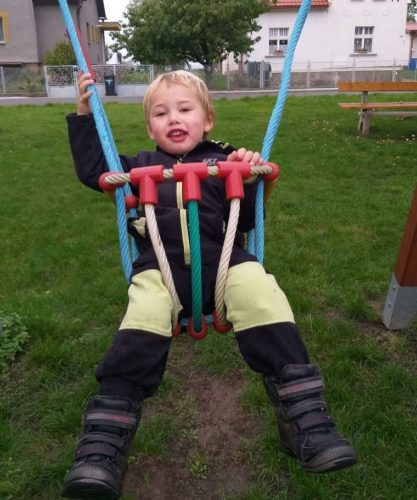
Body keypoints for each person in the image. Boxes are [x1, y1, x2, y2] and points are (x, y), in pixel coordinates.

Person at [62, 70, 356, 499]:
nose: (173, 118)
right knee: (140, 323)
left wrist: (249, 177)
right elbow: (95, 170)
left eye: (185, 109)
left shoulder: (224, 164)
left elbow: (247, 218)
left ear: (207, 120)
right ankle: (103, 447)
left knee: (261, 295)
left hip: (224, 265)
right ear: (150, 129)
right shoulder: (138, 166)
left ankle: (306, 422)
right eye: (161, 113)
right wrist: (85, 116)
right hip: (158, 270)